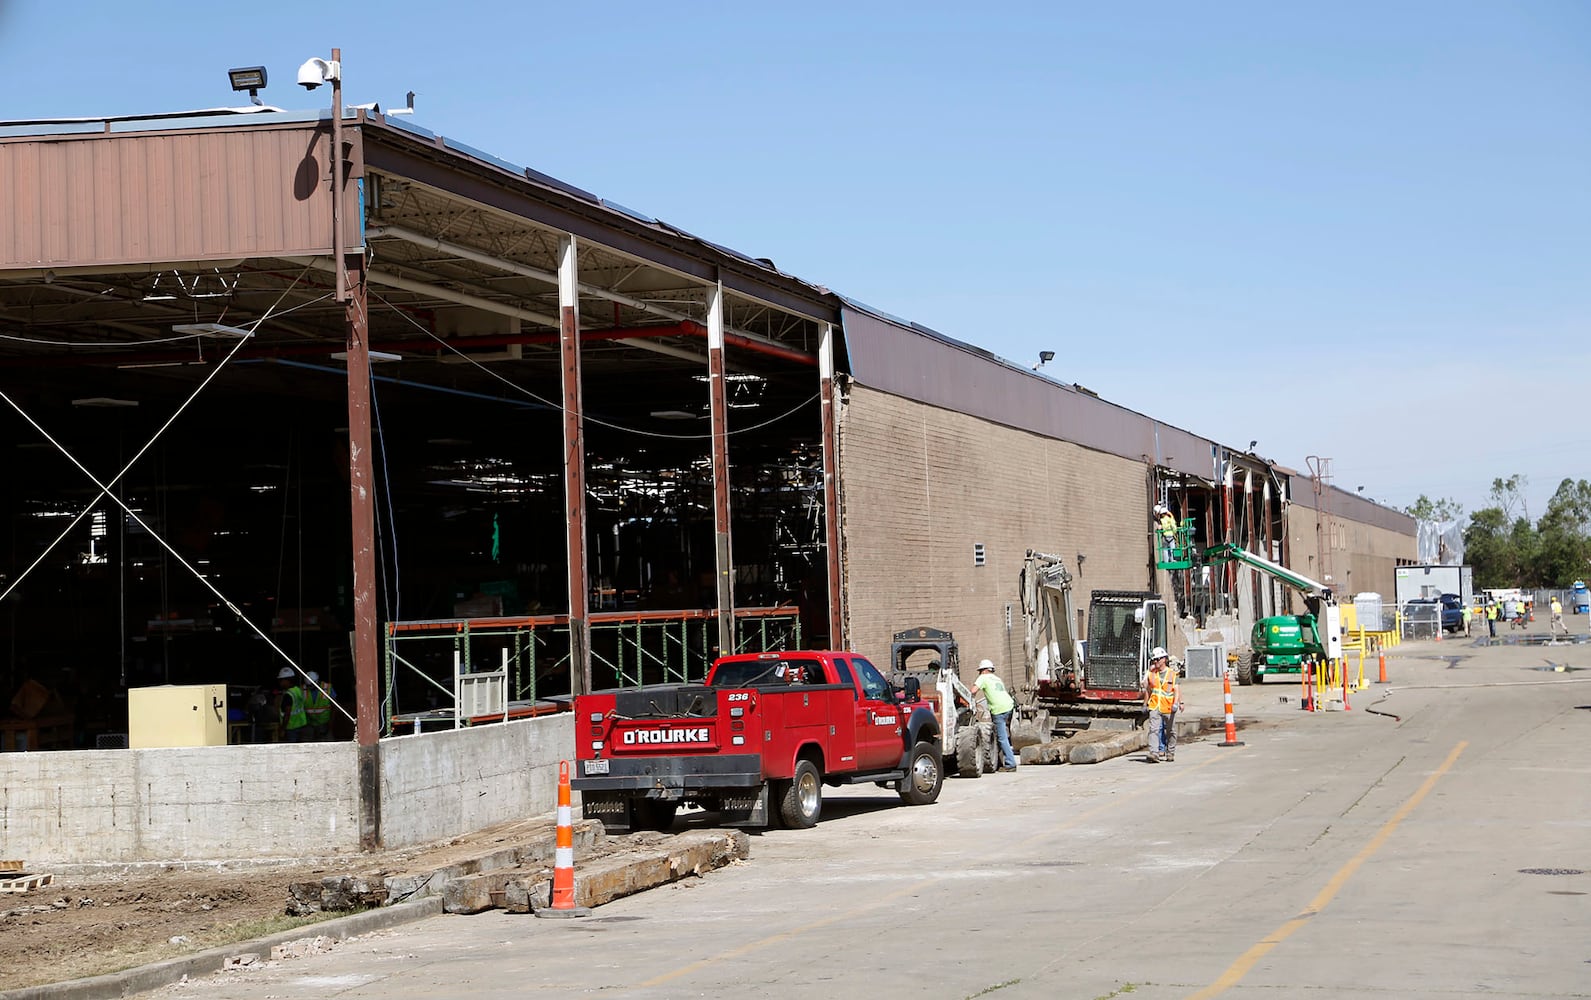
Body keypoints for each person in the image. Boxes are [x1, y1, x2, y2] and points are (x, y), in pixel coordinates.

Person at [974, 660, 1018, 772]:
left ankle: (1010, 764)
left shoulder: (983, 678)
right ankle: (1001, 761)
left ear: (983, 670)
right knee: (1003, 736)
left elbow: (972, 691)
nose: (979, 673)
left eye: (980, 671)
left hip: (999, 710)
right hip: (1009, 706)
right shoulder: (997, 679)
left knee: (1001, 738)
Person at [1144, 647, 1181, 762]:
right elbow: (1148, 690)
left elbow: (1177, 691)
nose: (1156, 662)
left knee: (1171, 731)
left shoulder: (1172, 674)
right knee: (1153, 730)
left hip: (1168, 707)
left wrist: (1177, 703)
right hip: (1155, 706)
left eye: (1157, 659)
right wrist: (1145, 704)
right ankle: (1154, 753)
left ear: (1164, 659)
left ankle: (1170, 752)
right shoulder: (1151, 674)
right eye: (1154, 660)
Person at [276, 667, 310, 743]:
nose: (280, 683)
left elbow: (287, 714)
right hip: (302, 726)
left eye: (281, 680)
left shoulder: (288, 695)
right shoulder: (298, 690)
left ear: (287, 680)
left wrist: (282, 729)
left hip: (291, 728)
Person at [303, 670, 334, 741]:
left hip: (324, 724)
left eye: (311, 686)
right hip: (309, 724)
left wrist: (331, 725)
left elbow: (334, 706)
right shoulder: (303, 689)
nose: (309, 688)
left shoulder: (327, 688)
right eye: (308, 686)